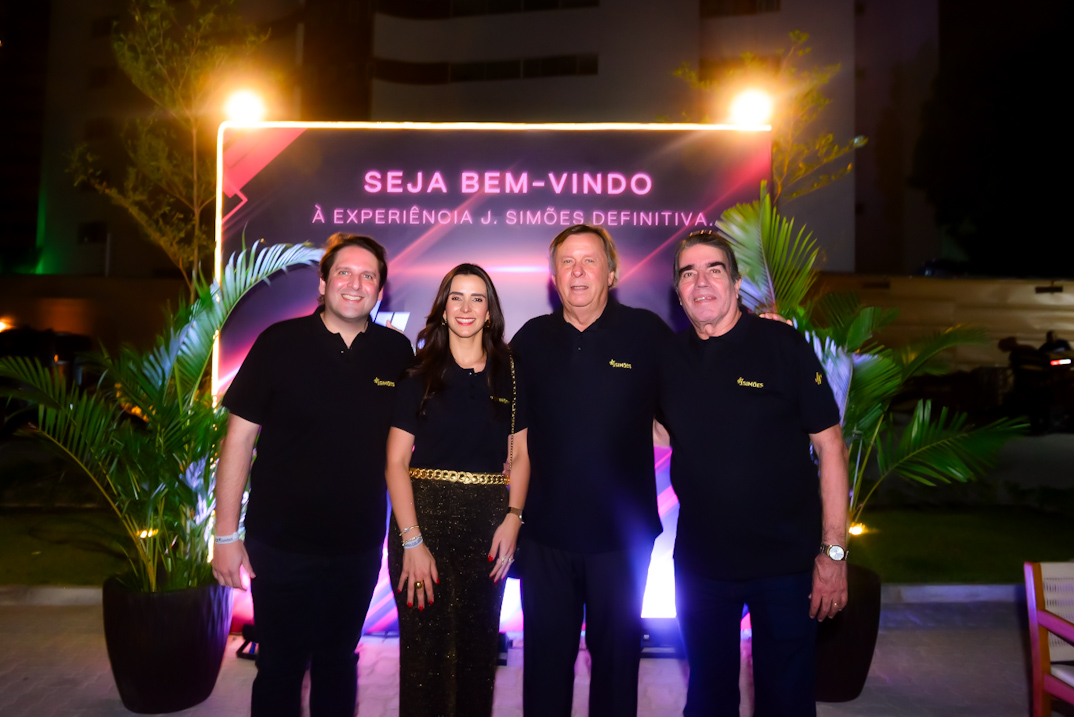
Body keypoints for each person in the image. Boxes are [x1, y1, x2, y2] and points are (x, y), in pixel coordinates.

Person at [212, 233, 413, 717]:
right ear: (323, 283)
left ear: (379, 290)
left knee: (337, 663)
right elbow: (238, 441)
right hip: (280, 547)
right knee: (279, 668)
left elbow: (410, 445)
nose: (355, 284)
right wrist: (224, 535)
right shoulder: (279, 343)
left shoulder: (396, 352)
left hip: (356, 548)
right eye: (344, 272)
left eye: (368, 276)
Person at [657, 231, 848, 717]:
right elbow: (652, 429)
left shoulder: (781, 344)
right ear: (678, 291)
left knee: (786, 702)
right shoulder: (668, 359)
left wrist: (834, 553)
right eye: (688, 273)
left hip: (785, 567)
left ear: (737, 283)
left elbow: (830, 446)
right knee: (707, 700)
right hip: (700, 567)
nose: (701, 282)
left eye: (714, 270)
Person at [511, 224, 672, 716]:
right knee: (545, 670)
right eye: (567, 262)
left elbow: (702, 384)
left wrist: (757, 337)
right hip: (544, 538)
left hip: (623, 539)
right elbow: (507, 435)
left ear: (612, 273)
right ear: (554, 275)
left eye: (590, 261)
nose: (577, 272)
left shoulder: (648, 334)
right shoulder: (530, 339)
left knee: (618, 669)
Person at [385, 263, 531, 717]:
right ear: (444, 308)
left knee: (476, 656)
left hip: (488, 529)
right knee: (425, 659)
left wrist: (514, 518)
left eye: (477, 298)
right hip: (422, 526)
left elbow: (521, 456)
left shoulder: (510, 374)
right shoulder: (417, 374)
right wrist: (412, 542)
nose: (466, 307)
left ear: (489, 312)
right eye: (456, 297)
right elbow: (395, 462)